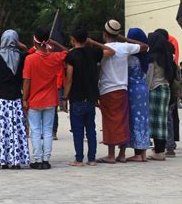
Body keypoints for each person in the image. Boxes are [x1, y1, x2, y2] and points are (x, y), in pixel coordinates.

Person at [61, 27, 115, 167]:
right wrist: (95, 43)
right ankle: (92, 159)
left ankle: (79, 159)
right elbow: (112, 52)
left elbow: (69, 80)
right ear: (86, 39)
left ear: (73, 40)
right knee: (90, 128)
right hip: (91, 97)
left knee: (78, 130)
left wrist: (64, 97)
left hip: (76, 97)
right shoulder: (94, 52)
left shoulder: (71, 56)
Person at [97, 20, 148, 164]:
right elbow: (145, 46)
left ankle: (111, 155)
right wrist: (124, 39)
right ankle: (122, 154)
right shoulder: (125, 47)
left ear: (104, 34)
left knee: (109, 122)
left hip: (107, 89)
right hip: (123, 89)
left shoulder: (103, 49)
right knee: (123, 121)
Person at [22, 28, 68, 170]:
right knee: (47, 131)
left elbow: (27, 81)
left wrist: (24, 98)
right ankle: (46, 159)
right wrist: (55, 43)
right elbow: (69, 52)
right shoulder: (55, 57)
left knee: (35, 131)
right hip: (50, 99)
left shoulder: (30, 59)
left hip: (34, 100)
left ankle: (38, 159)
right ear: (47, 41)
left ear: (34, 41)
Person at [0, 30, 30, 169]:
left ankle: (2, 160)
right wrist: (21, 46)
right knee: (15, 130)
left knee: (1, 130)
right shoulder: (22, 57)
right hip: (16, 98)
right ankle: (16, 160)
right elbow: (30, 52)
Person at [146, 31, 174, 161]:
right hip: (166, 89)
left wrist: (146, 90)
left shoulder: (152, 57)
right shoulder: (166, 56)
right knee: (162, 121)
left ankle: (158, 151)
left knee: (155, 122)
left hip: (155, 89)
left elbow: (149, 77)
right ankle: (160, 150)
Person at [125, 28, 150, 162]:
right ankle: (143, 153)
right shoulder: (146, 57)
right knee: (143, 121)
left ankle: (138, 154)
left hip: (133, 90)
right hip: (143, 89)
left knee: (135, 120)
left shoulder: (131, 57)